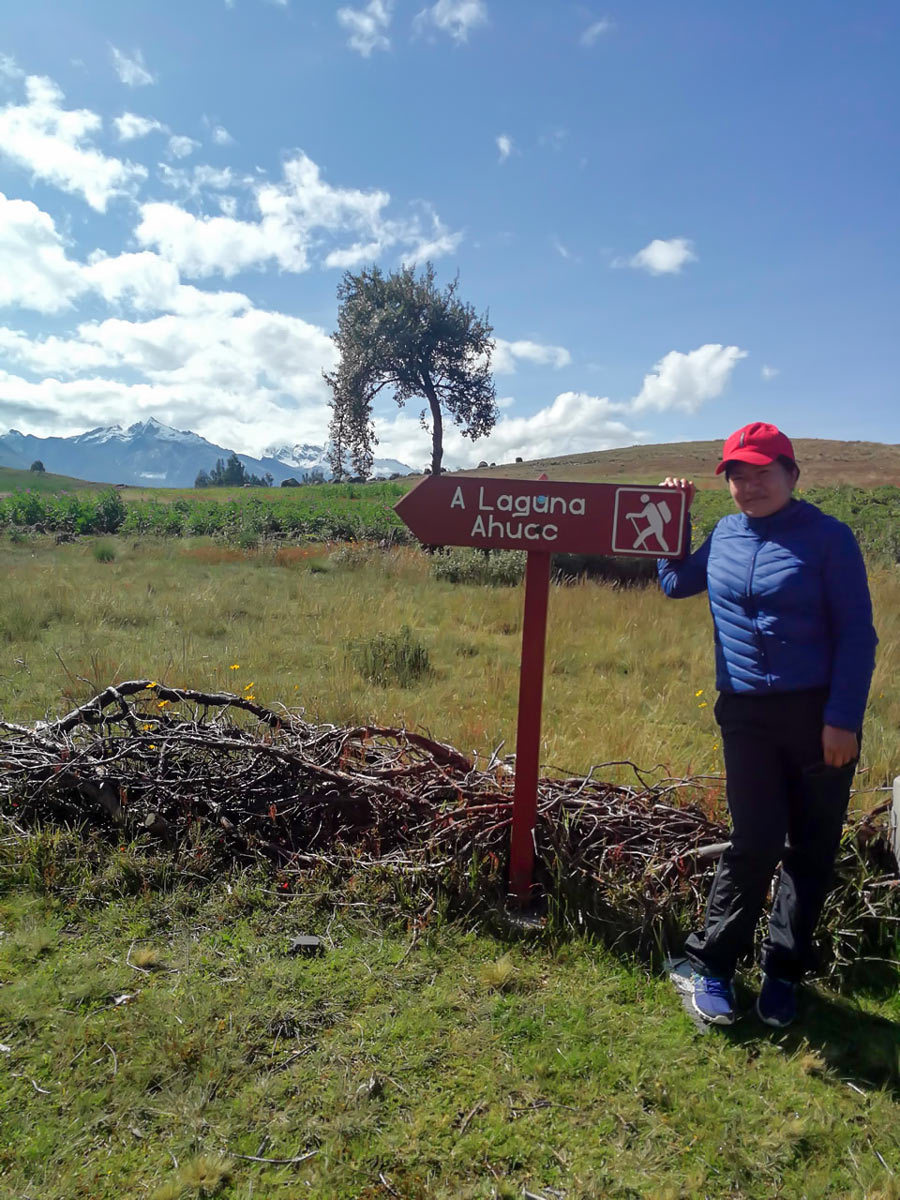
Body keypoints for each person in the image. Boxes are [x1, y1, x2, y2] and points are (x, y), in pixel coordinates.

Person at [657, 421, 878, 1027]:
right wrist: (672, 517)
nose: (749, 485)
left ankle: (783, 974)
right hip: (746, 713)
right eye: (737, 475)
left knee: (810, 848)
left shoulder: (829, 538)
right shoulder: (726, 534)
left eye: (761, 472)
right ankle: (711, 967)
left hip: (818, 716)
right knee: (754, 842)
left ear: (791, 474)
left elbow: (858, 635)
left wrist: (842, 719)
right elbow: (676, 583)